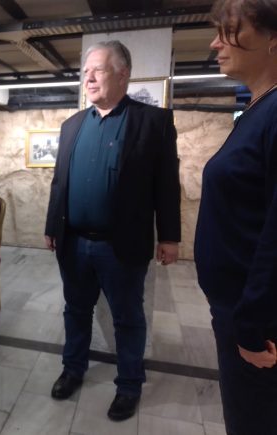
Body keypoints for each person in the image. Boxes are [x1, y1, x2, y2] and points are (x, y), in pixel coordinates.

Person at [45, 40, 180, 421]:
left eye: (98, 70)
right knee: (75, 311)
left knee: (127, 318)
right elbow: (60, 182)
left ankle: (129, 385)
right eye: (85, 71)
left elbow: (167, 185)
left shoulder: (153, 122)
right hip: (74, 243)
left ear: (123, 74)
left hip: (121, 245)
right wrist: (52, 226)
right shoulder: (72, 125)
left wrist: (169, 236)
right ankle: (73, 369)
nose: (88, 78)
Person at [194, 0, 277, 433]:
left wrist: (251, 324)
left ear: (273, 39)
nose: (215, 44)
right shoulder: (257, 110)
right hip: (238, 308)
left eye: (229, 31)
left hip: (256, 320)